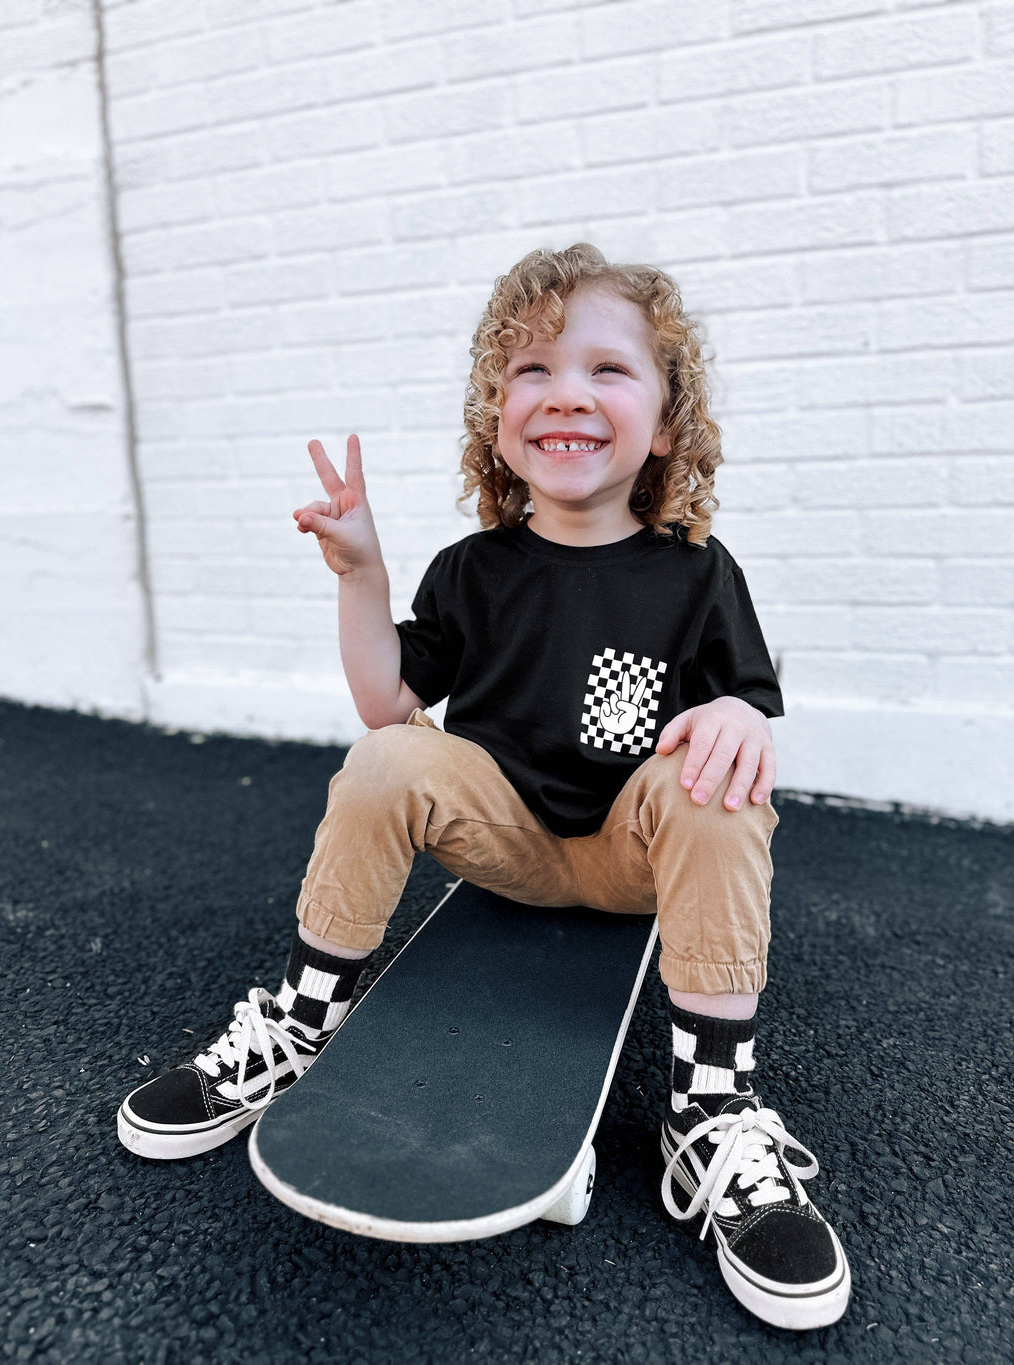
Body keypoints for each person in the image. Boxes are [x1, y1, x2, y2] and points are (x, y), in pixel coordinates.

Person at [118, 243, 850, 1330]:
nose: (566, 394)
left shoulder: (698, 570)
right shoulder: (473, 568)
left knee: (719, 783)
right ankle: (305, 1024)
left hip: (631, 855)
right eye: (531, 371)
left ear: (666, 416)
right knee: (390, 756)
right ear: (495, 413)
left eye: (609, 370)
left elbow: (747, 709)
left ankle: (712, 1107)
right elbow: (386, 700)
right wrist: (362, 571)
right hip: (502, 846)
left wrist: (741, 715)